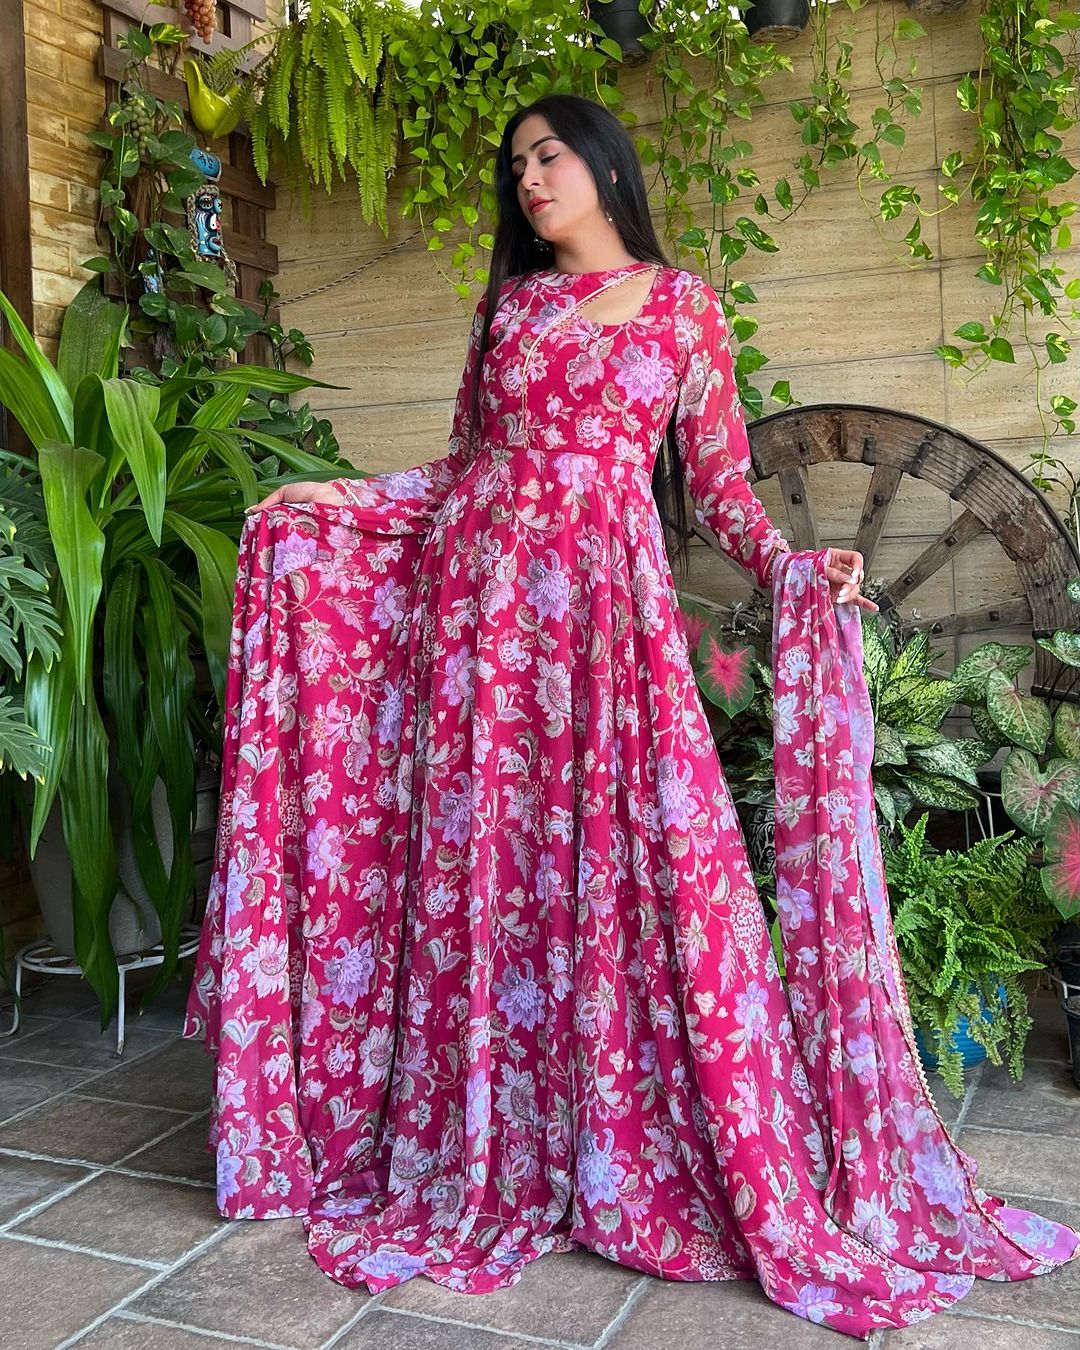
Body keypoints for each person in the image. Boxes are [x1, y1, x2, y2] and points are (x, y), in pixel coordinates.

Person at [183, 93, 1078, 1338]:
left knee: (627, 865)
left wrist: (792, 568)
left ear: (606, 165)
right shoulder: (507, 309)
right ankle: (490, 1135)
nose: (530, 179)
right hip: (481, 628)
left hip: (604, 623)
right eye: (516, 164)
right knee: (489, 872)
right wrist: (341, 498)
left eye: (549, 156)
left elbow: (719, 487)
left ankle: (619, 1137)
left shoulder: (681, 306)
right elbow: (464, 468)